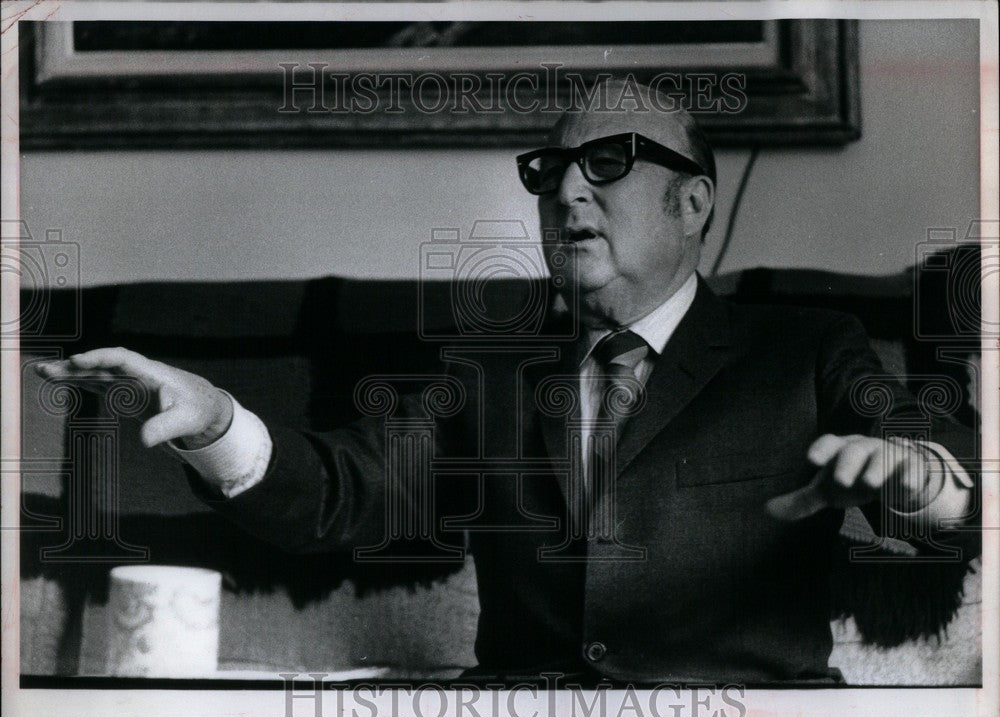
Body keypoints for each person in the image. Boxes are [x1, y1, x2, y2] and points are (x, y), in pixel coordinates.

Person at [36, 81, 975, 684]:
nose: (567, 193)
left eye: (607, 164)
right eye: (550, 171)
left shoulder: (805, 347)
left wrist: (922, 480)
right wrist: (214, 420)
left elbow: (932, 464)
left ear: (693, 202)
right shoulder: (487, 368)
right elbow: (341, 494)